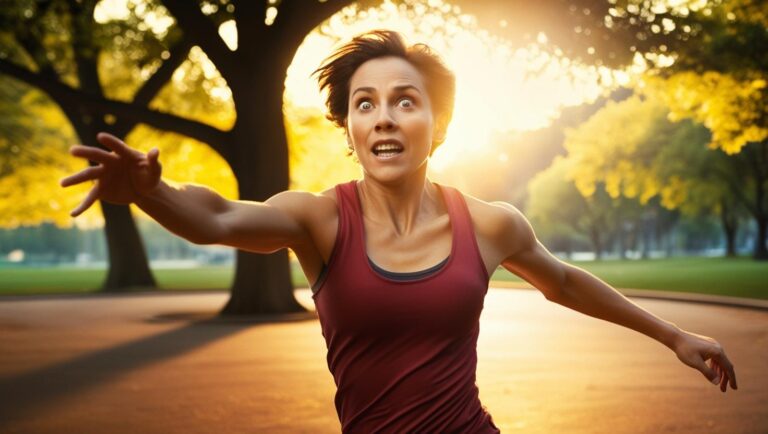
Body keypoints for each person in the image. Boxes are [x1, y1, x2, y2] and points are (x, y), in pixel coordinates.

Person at [61, 29, 737, 433]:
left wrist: (674, 334)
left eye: (404, 101)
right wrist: (153, 192)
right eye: (365, 104)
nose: (383, 118)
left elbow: (562, 282)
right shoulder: (319, 219)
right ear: (350, 129)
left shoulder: (491, 222)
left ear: (437, 125)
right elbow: (218, 216)